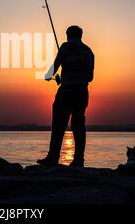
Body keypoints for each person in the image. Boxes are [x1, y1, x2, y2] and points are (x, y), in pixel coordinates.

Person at [37, 25, 94, 167]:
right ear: (81, 35)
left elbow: (53, 69)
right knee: (79, 126)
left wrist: (48, 75)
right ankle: (79, 160)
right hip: (82, 92)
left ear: (68, 35)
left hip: (67, 91)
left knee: (59, 124)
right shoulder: (89, 51)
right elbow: (90, 77)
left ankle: (53, 157)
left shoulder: (65, 47)